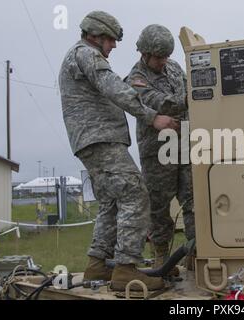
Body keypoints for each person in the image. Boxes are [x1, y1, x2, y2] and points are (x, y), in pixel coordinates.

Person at [58, 11, 179, 291]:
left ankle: (97, 264)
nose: (113, 46)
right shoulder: (87, 54)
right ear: (95, 35)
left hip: (91, 140)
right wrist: (152, 117)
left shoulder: (79, 55)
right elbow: (113, 88)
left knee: (112, 203)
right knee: (135, 193)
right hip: (100, 138)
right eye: (111, 40)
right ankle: (126, 269)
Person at [125, 24, 195, 273]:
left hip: (185, 145)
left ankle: (195, 253)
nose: (165, 61)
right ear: (145, 54)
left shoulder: (174, 67)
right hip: (158, 152)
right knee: (159, 206)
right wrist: (191, 97)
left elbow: (189, 87)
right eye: (159, 57)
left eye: (167, 56)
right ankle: (162, 259)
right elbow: (158, 103)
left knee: (193, 200)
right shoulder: (135, 79)